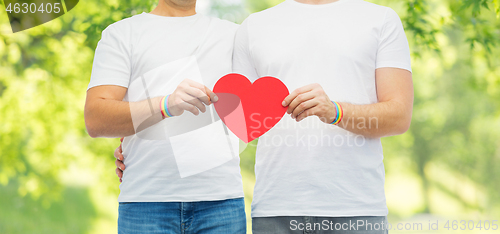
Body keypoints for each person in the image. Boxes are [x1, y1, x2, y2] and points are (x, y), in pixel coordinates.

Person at [116, 0, 413, 233]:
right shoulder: (254, 27)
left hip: (357, 210)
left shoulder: (381, 20)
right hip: (274, 212)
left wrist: (335, 111)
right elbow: (232, 117)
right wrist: (138, 142)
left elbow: (398, 117)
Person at [84, 0, 246, 233]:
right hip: (146, 202)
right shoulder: (122, 34)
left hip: (221, 203)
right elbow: (96, 120)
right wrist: (165, 105)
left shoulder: (233, 36)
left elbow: (264, 101)